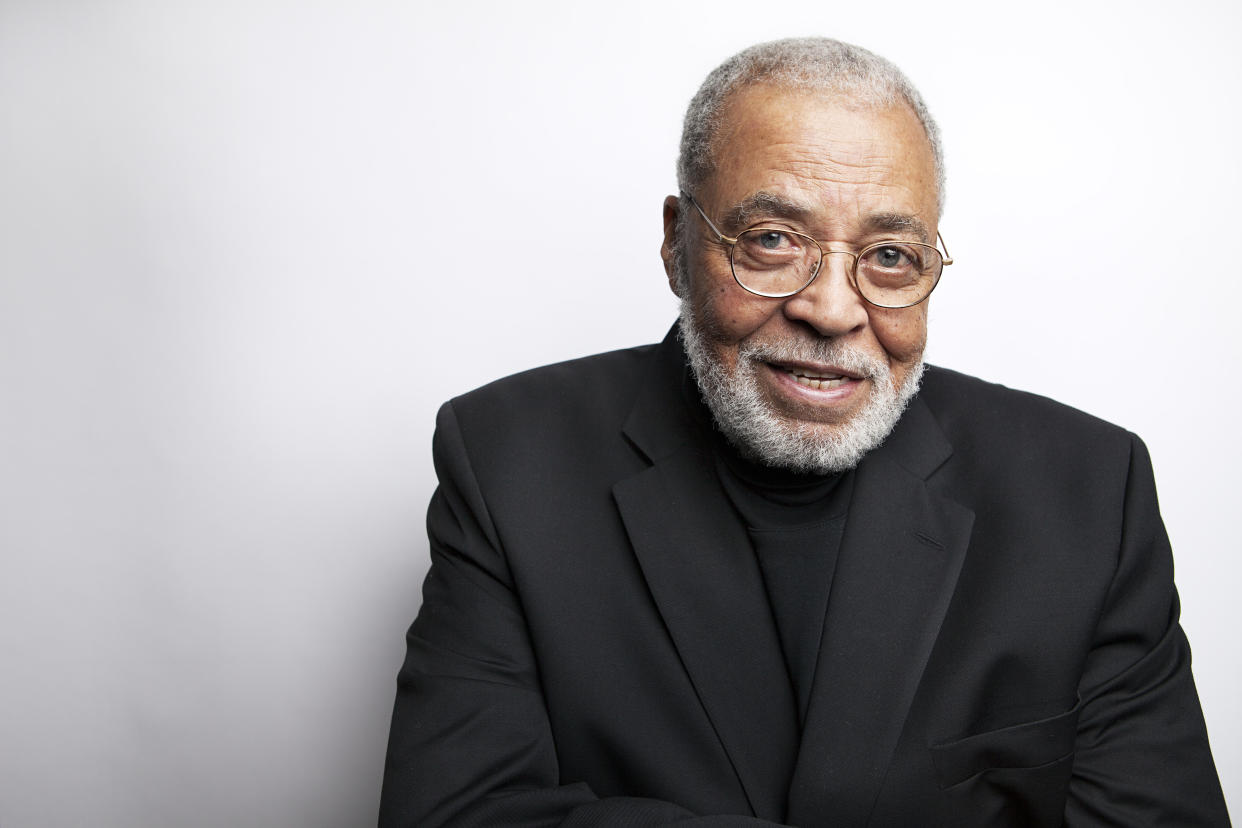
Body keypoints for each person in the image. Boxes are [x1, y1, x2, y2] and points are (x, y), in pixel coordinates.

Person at [379, 38, 1230, 827]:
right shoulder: (507, 463)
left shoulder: (1088, 492)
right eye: (773, 240)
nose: (830, 310)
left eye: (891, 256)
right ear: (679, 245)